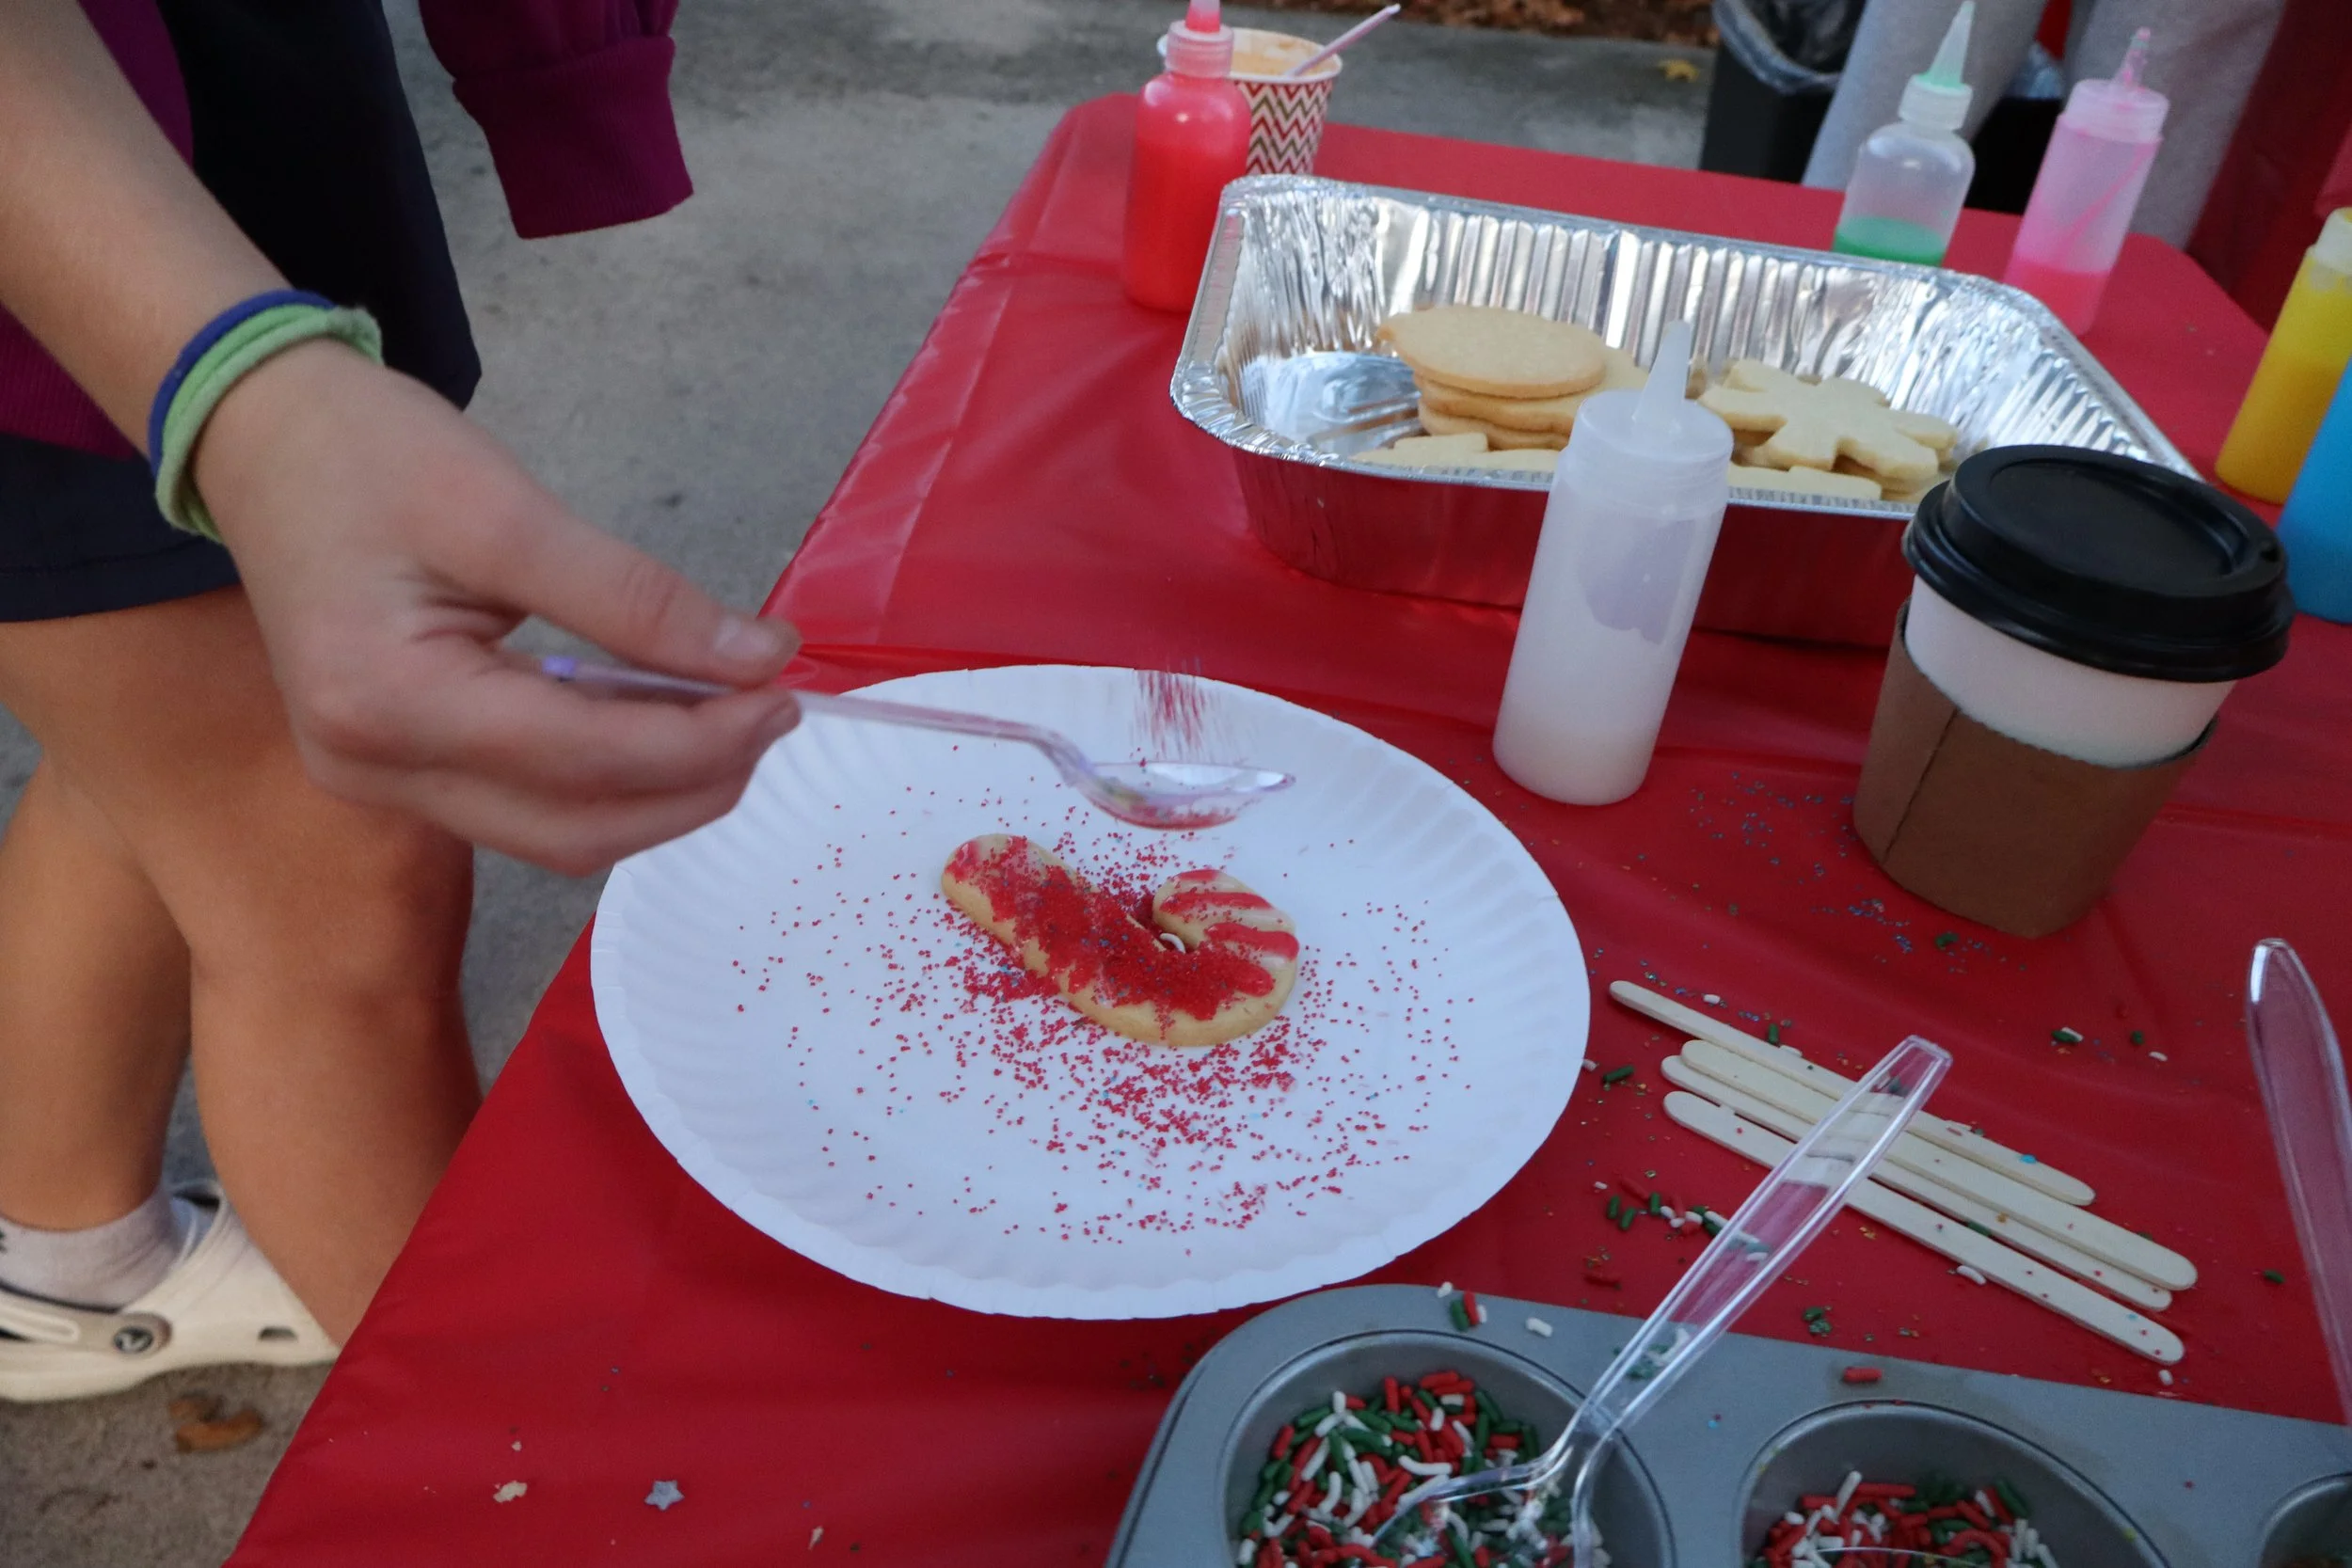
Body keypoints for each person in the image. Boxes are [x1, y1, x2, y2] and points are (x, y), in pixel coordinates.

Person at [0, 0, 800, 1399]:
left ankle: (62, 1258)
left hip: (225, 78)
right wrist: (240, 390)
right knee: (334, 869)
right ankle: (518, 1469)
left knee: (151, 732)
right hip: (55, 181)